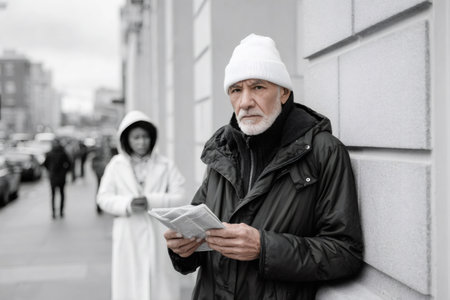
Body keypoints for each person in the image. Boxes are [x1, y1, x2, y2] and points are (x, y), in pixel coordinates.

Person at [164, 33, 363, 299]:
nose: (245, 101)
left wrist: (264, 248)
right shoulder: (221, 151)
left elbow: (345, 253)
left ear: (283, 92)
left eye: (258, 87)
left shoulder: (324, 152)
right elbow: (199, 237)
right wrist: (182, 249)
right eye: (236, 90)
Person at [97, 110, 188, 300]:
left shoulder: (165, 164)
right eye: (136, 137)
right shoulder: (116, 165)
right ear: (126, 140)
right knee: (129, 283)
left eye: (145, 136)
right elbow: (103, 198)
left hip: (158, 233)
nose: (141, 142)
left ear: (152, 138)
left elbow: (181, 196)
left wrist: (151, 201)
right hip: (127, 233)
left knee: (160, 284)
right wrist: (127, 204)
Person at [44, 138, 71, 219]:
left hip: (53, 177)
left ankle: (53, 212)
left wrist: (50, 170)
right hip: (61, 177)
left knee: (53, 195)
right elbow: (69, 164)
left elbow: (45, 164)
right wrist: (64, 171)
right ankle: (61, 212)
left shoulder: (50, 153)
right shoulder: (63, 153)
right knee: (62, 194)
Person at [91, 135, 114, 214]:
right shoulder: (99, 150)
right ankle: (99, 206)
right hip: (100, 171)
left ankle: (106, 205)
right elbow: (94, 161)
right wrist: (97, 170)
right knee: (100, 188)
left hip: (108, 171)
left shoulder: (111, 149)